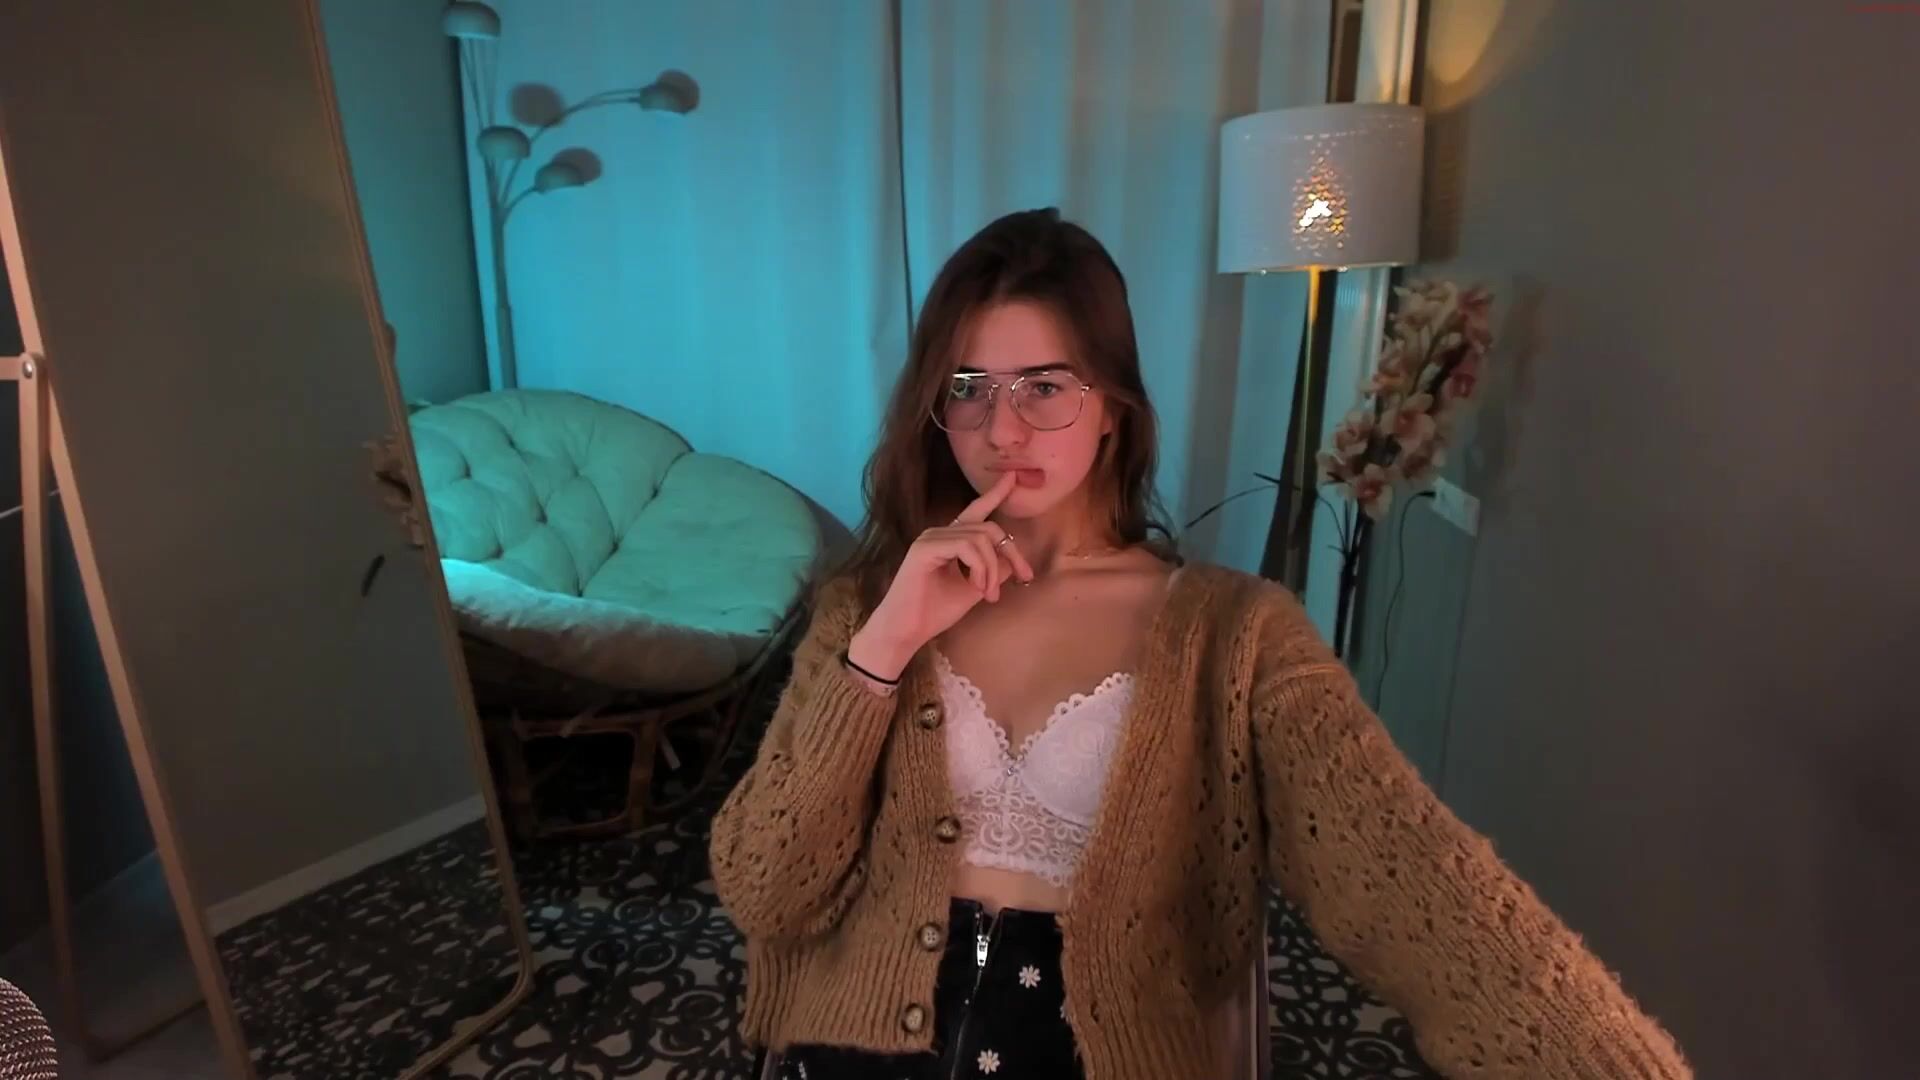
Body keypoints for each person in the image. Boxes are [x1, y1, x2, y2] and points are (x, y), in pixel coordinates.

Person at [709, 208, 1690, 1080]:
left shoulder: (1236, 637)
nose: (1002, 428)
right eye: (969, 386)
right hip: (855, 1050)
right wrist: (881, 650)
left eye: (1044, 386)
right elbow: (764, 889)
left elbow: (1416, 883)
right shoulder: (868, 605)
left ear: (1112, 405)